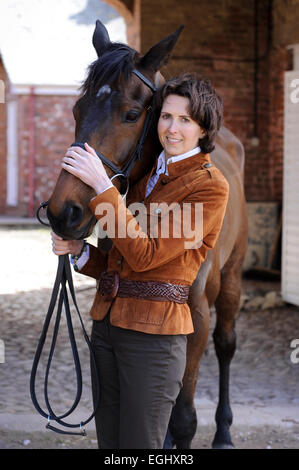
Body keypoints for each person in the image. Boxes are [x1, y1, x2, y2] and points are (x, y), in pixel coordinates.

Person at [51, 73, 229, 449]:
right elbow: (122, 263)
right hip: (108, 329)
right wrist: (80, 252)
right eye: (166, 116)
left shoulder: (209, 187)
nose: (172, 128)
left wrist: (102, 188)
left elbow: (147, 256)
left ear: (203, 128)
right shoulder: (143, 178)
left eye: (185, 120)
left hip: (154, 339)